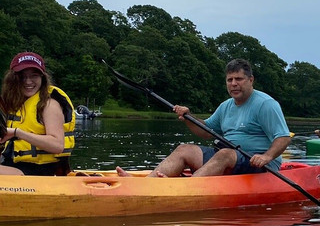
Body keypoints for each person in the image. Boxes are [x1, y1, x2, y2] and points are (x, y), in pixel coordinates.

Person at [119, 58, 291, 178]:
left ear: (251, 80)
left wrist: (266, 157)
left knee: (224, 154)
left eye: (238, 79)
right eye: (229, 80)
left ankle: (187, 188)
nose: (233, 84)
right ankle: (148, 183)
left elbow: (283, 137)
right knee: (184, 149)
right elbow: (207, 132)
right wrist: (189, 117)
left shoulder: (266, 104)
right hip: (226, 158)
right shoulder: (226, 106)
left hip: (259, 164)